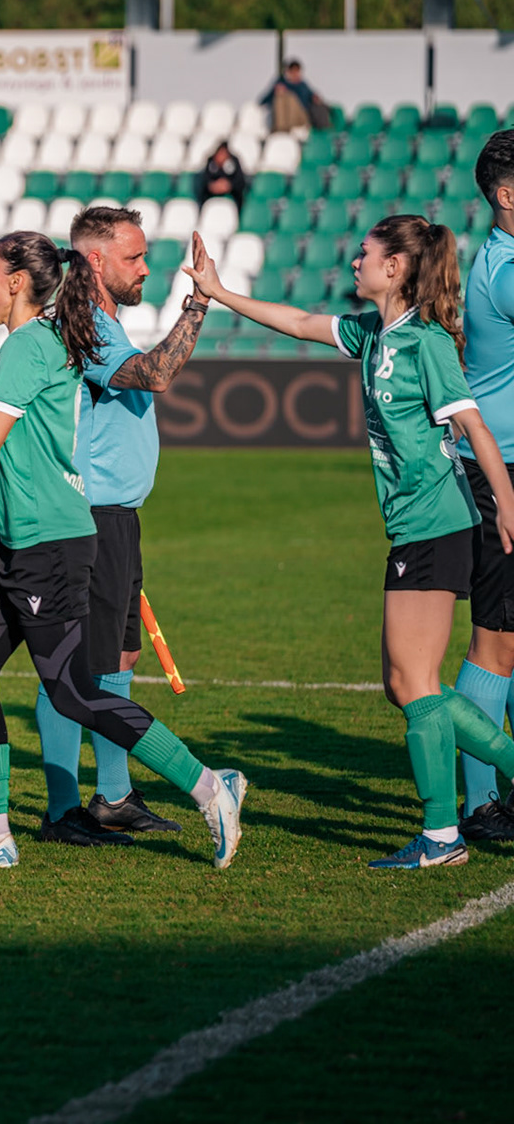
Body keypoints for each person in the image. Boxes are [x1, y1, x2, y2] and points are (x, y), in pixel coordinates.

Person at [0, 228, 248, 871]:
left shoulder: (29, 348)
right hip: (17, 544)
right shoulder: (25, 345)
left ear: (16, 281)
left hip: (52, 545)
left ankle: (212, 788)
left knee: (71, 692)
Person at [188, 216, 514, 869]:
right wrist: (219, 293)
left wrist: (506, 501)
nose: (356, 259)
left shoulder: (424, 340)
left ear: (396, 268)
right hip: (415, 526)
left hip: (436, 523)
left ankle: (442, 837)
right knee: (406, 685)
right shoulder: (375, 333)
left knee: (410, 681)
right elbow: (301, 322)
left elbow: (473, 424)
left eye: (366, 253)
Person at [29, 207, 215, 848]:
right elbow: (157, 375)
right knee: (73, 668)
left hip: (117, 518)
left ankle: (111, 796)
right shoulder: (87, 330)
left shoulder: (103, 323)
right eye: (134, 258)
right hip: (91, 518)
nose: (144, 268)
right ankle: (61, 810)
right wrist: (198, 306)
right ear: (98, 262)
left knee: (117, 657)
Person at [455, 132, 514, 844]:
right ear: (505, 195)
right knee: (492, 641)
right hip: (502, 469)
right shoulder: (503, 269)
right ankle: (477, 804)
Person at [261, 59, 328, 133]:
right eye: (293, 71)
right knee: (281, 96)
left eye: (297, 71)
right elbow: (265, 100)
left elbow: (313, 96)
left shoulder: (303, 85)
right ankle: (281, 129)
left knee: (290, 97)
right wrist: (275, 93)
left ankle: (285, 129)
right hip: (284, 118)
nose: (295, 74)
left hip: (301, 117)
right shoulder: (281, 83)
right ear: (288, 72)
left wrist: (315, 98)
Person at [199, 142, 249, 214]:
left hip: (232, 195)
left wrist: (229, 186)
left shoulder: (234, 162)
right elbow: (204, 181)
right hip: (211, 196)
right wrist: (213, 186)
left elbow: (241, 182)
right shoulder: (210, 161)